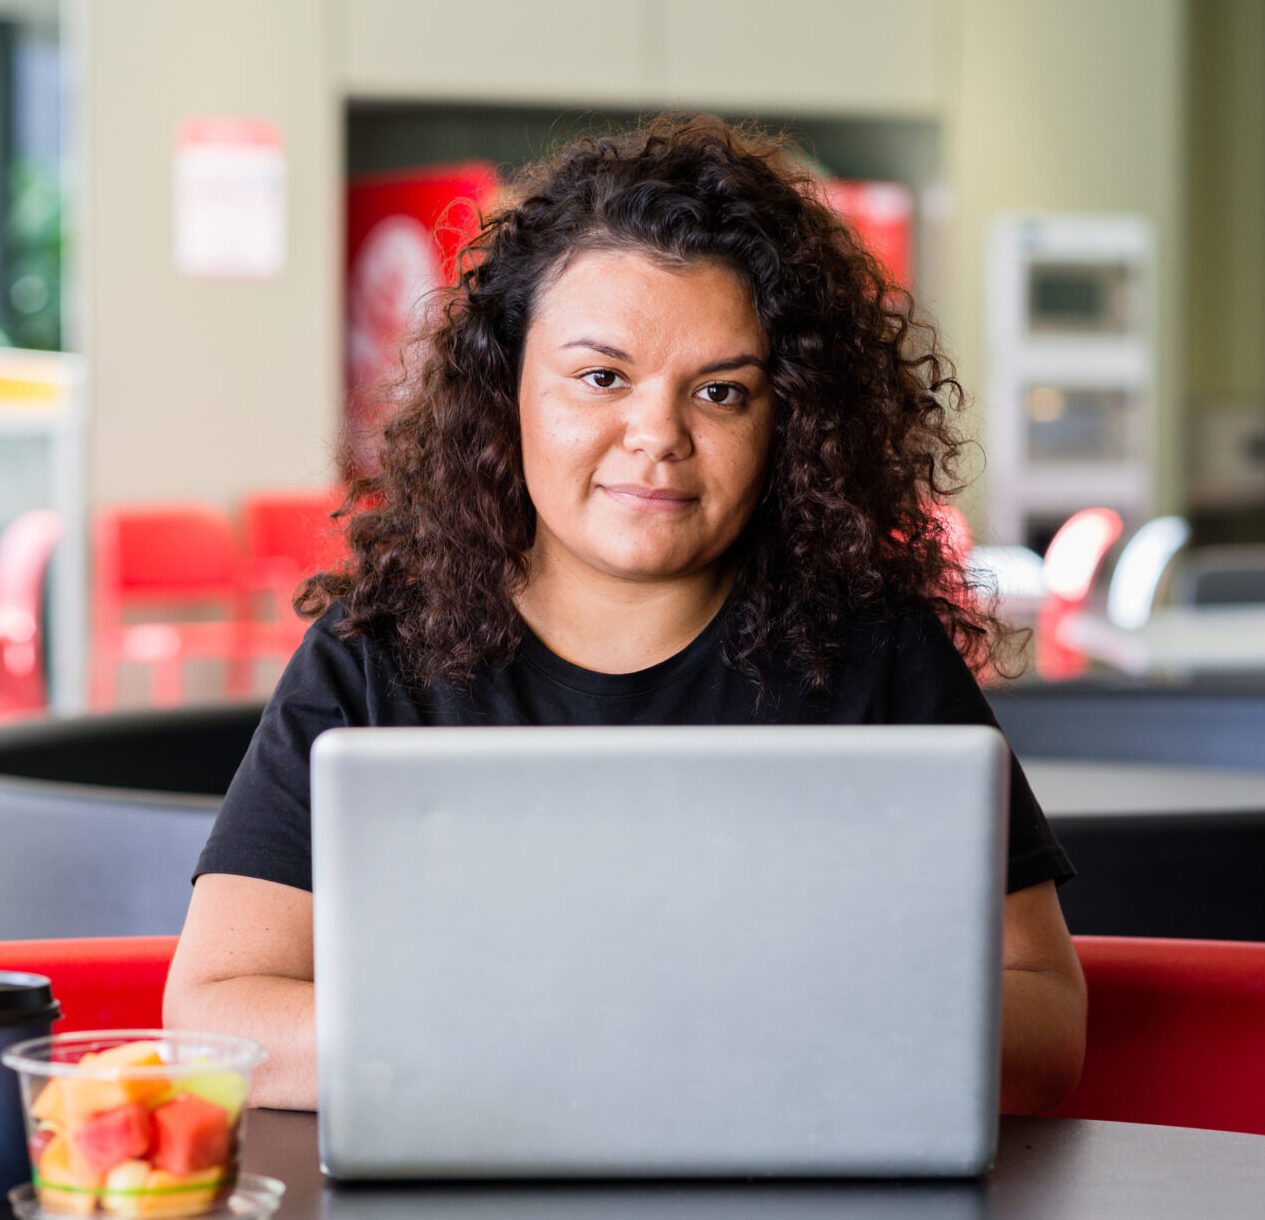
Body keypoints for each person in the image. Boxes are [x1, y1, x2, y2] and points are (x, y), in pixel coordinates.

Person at [164, 115, 1086, 1115]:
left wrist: (712, 1043)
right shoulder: (375, 661)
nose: (658, 436)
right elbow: (216, 1018)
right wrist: (583, 1044)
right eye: (602, 376)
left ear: (788, 423)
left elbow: (1044, 1023)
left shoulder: (878, 659)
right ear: (504, 388)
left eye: (722, 392)